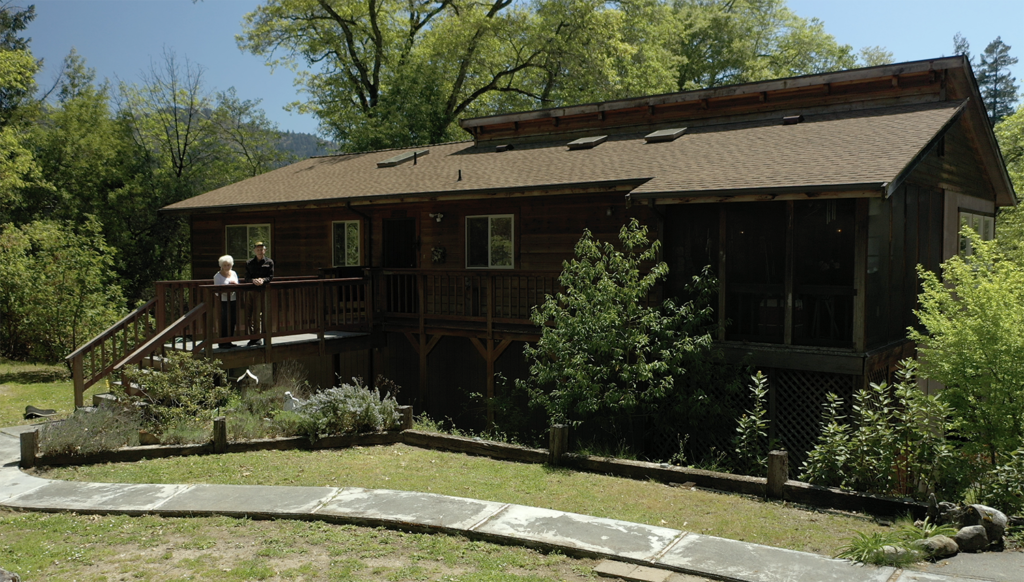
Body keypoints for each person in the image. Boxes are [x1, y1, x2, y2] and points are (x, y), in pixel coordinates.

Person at [245, 241, 275, 346]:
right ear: (254, 251)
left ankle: (260, 337)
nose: (260, 251)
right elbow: (246, 278)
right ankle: (253, 336)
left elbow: (271, 276)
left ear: (265, 250)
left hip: (263, 291)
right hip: (251, 291)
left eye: (261, 249)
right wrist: (253, 281)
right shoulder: (249, 263)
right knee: (250, 314)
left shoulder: (269, 262)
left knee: (260, 315)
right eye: (258, 249)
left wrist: (263, 280)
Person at [214, 255, 239, 349]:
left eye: (228, 265)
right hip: (223, 301)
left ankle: (229, 341)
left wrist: (234, 285)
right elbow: (216, 292)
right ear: (221, 265)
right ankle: (222, 342)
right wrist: (225, 289)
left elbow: (237, 285)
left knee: (233, 320)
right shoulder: (217, 276)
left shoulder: (234, 273)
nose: (227, 267)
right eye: (224, 265)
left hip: (233, 299)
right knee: (224, 321)